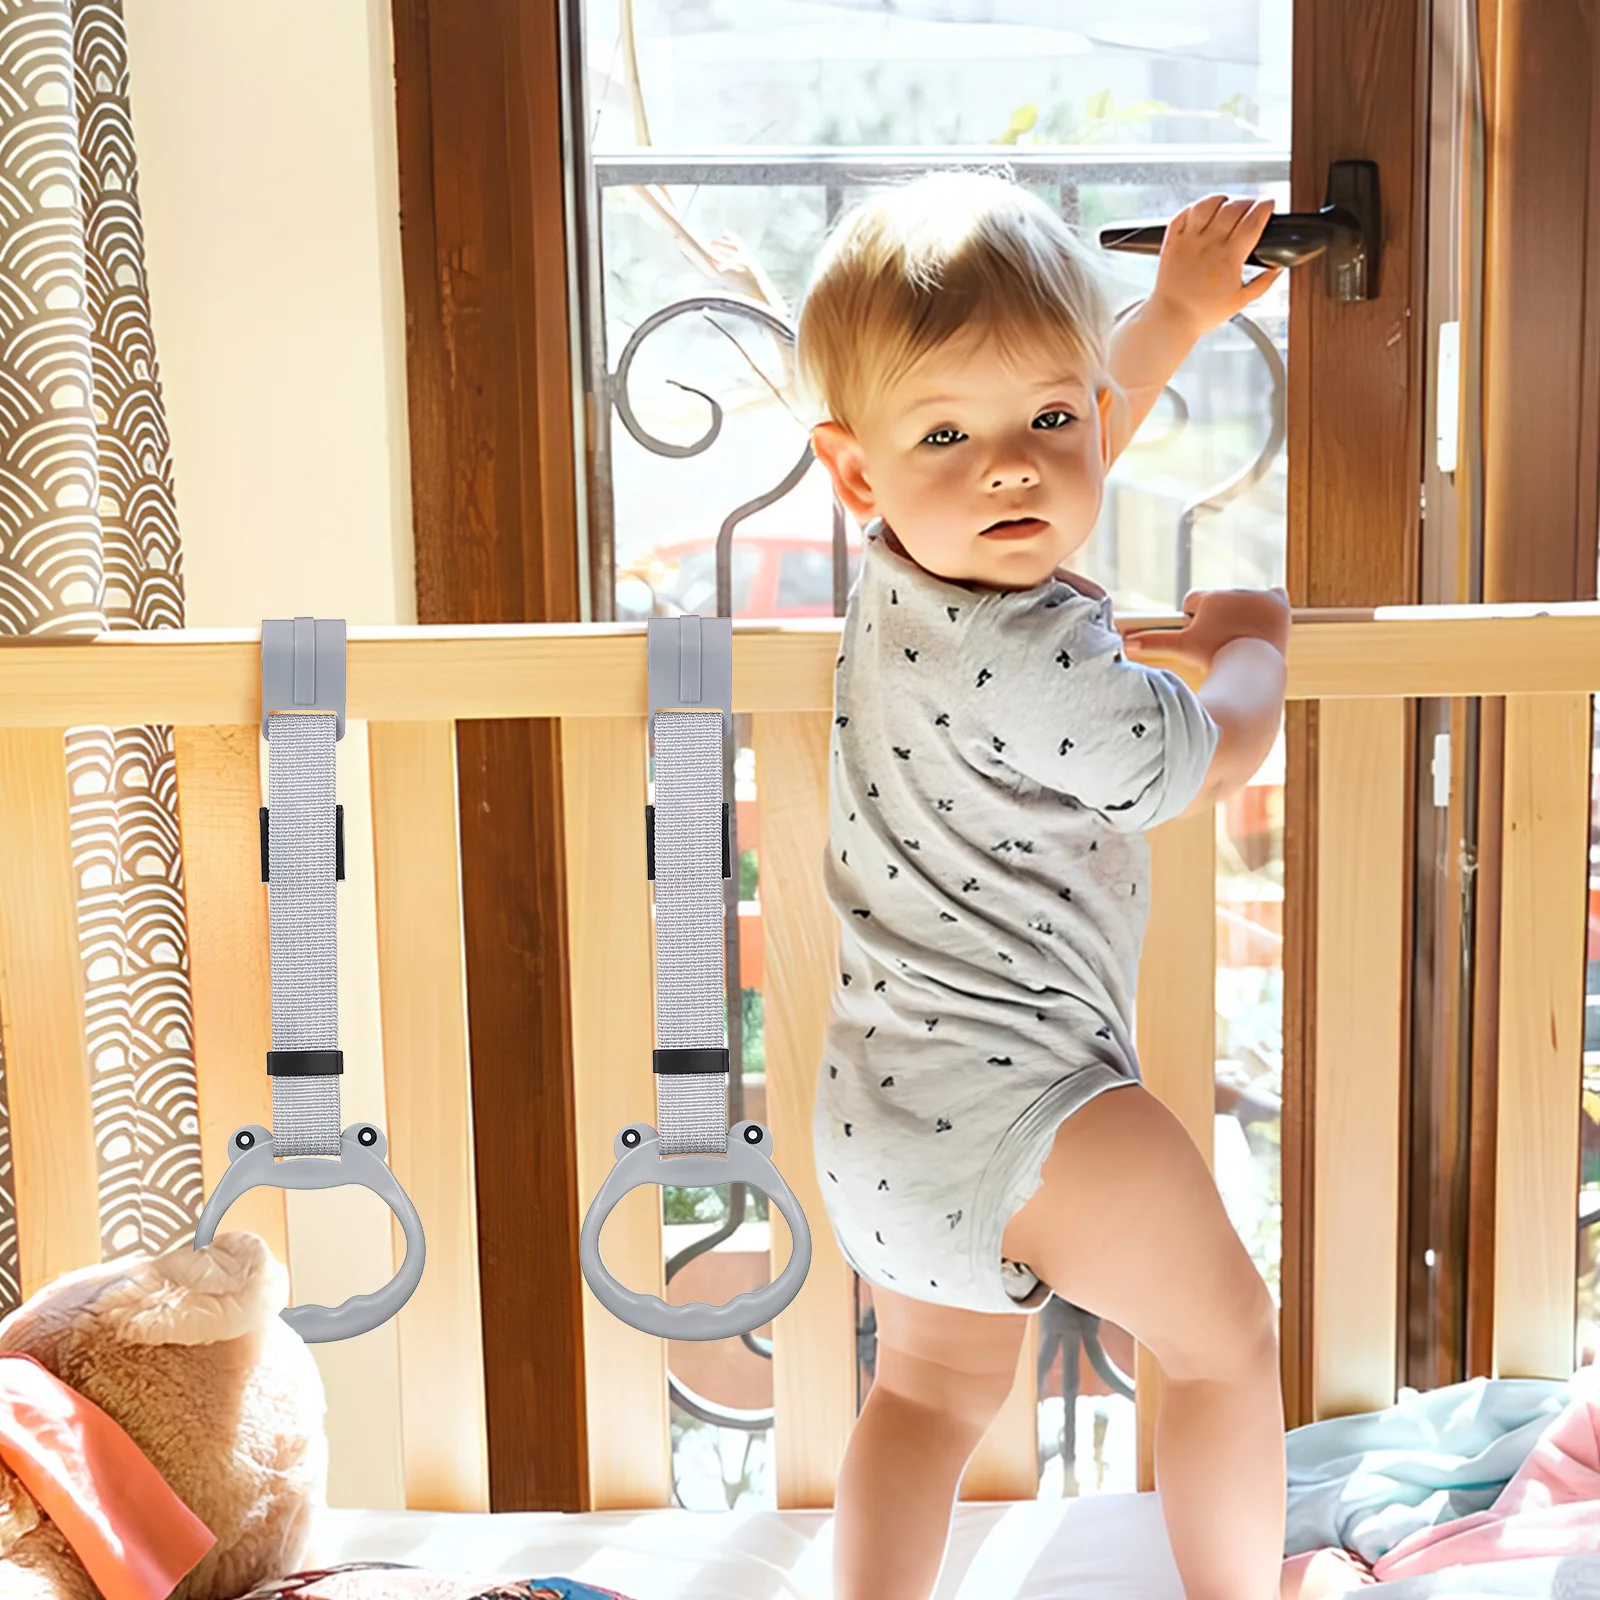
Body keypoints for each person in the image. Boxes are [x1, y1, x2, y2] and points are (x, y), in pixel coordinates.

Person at [795, 171, 1293, 1600]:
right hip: (1035, 1104)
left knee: (930, 1397)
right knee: (1221, 1343)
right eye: (948, 433)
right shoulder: (1032, 655)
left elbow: (1057, 425)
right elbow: (1201, 762)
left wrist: (1178, 315)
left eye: (1048, 424)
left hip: (886, 1119)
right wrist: (1251, 646)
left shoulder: (895, 573)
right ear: (858, 469)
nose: (1012, 470)